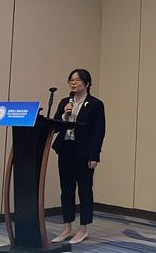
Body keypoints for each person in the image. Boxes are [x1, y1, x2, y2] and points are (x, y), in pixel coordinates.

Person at [51, 69, 106, 244]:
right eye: (71, 80)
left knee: (84, 189)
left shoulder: (95, 104)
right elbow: (55, 127)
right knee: (66, 188)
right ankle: (67, 227)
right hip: (65, 149)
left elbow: (99, 132)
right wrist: (64, 114)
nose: (73, 83)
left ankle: (83, 229)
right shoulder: (64, 102)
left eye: (77, 80)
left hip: (84, 152)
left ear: (87, 83)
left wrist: (94, 155)